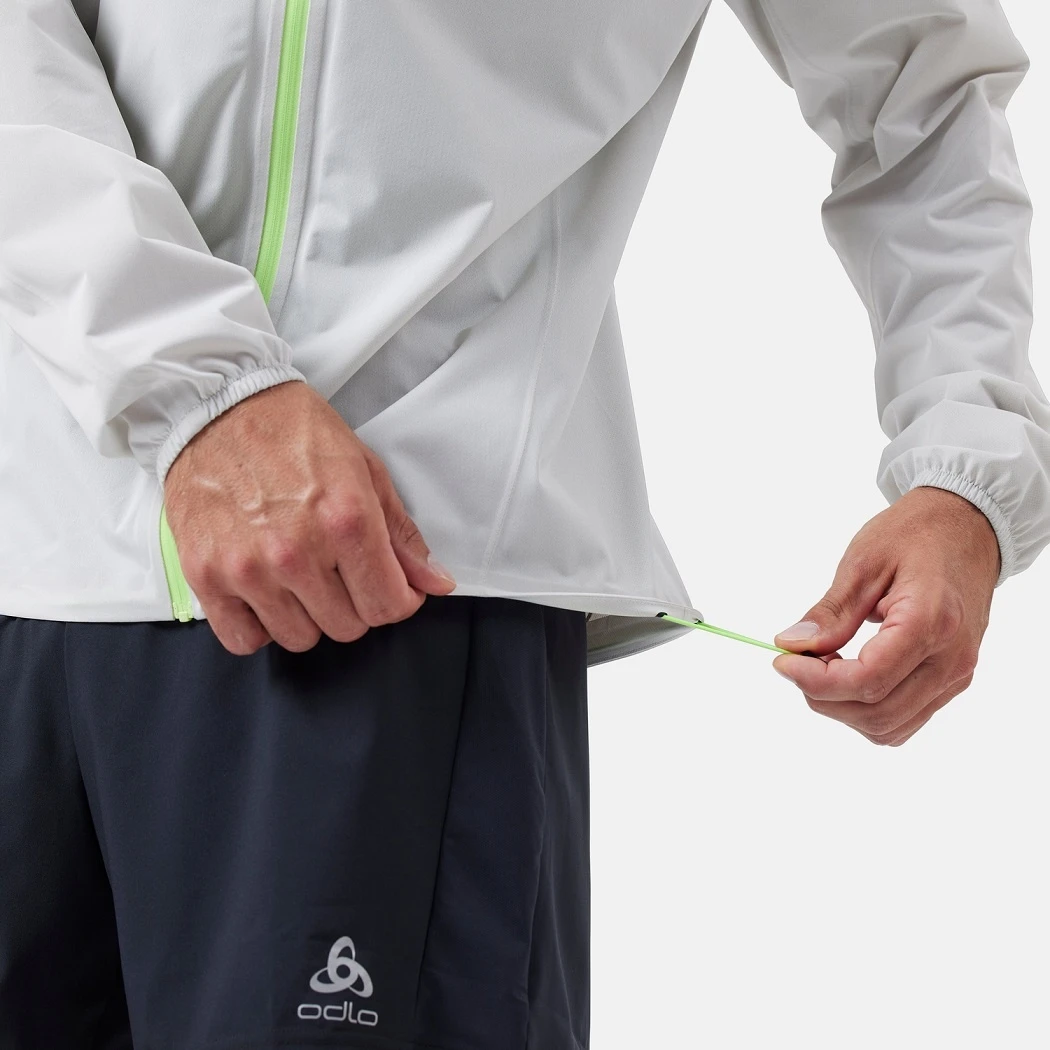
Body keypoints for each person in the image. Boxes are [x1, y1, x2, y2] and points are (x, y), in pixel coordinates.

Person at [1, 0, 1047, 1046]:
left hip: (382, 588)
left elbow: (923, 84)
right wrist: (191, 384)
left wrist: (967, 465)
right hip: (31, 556)